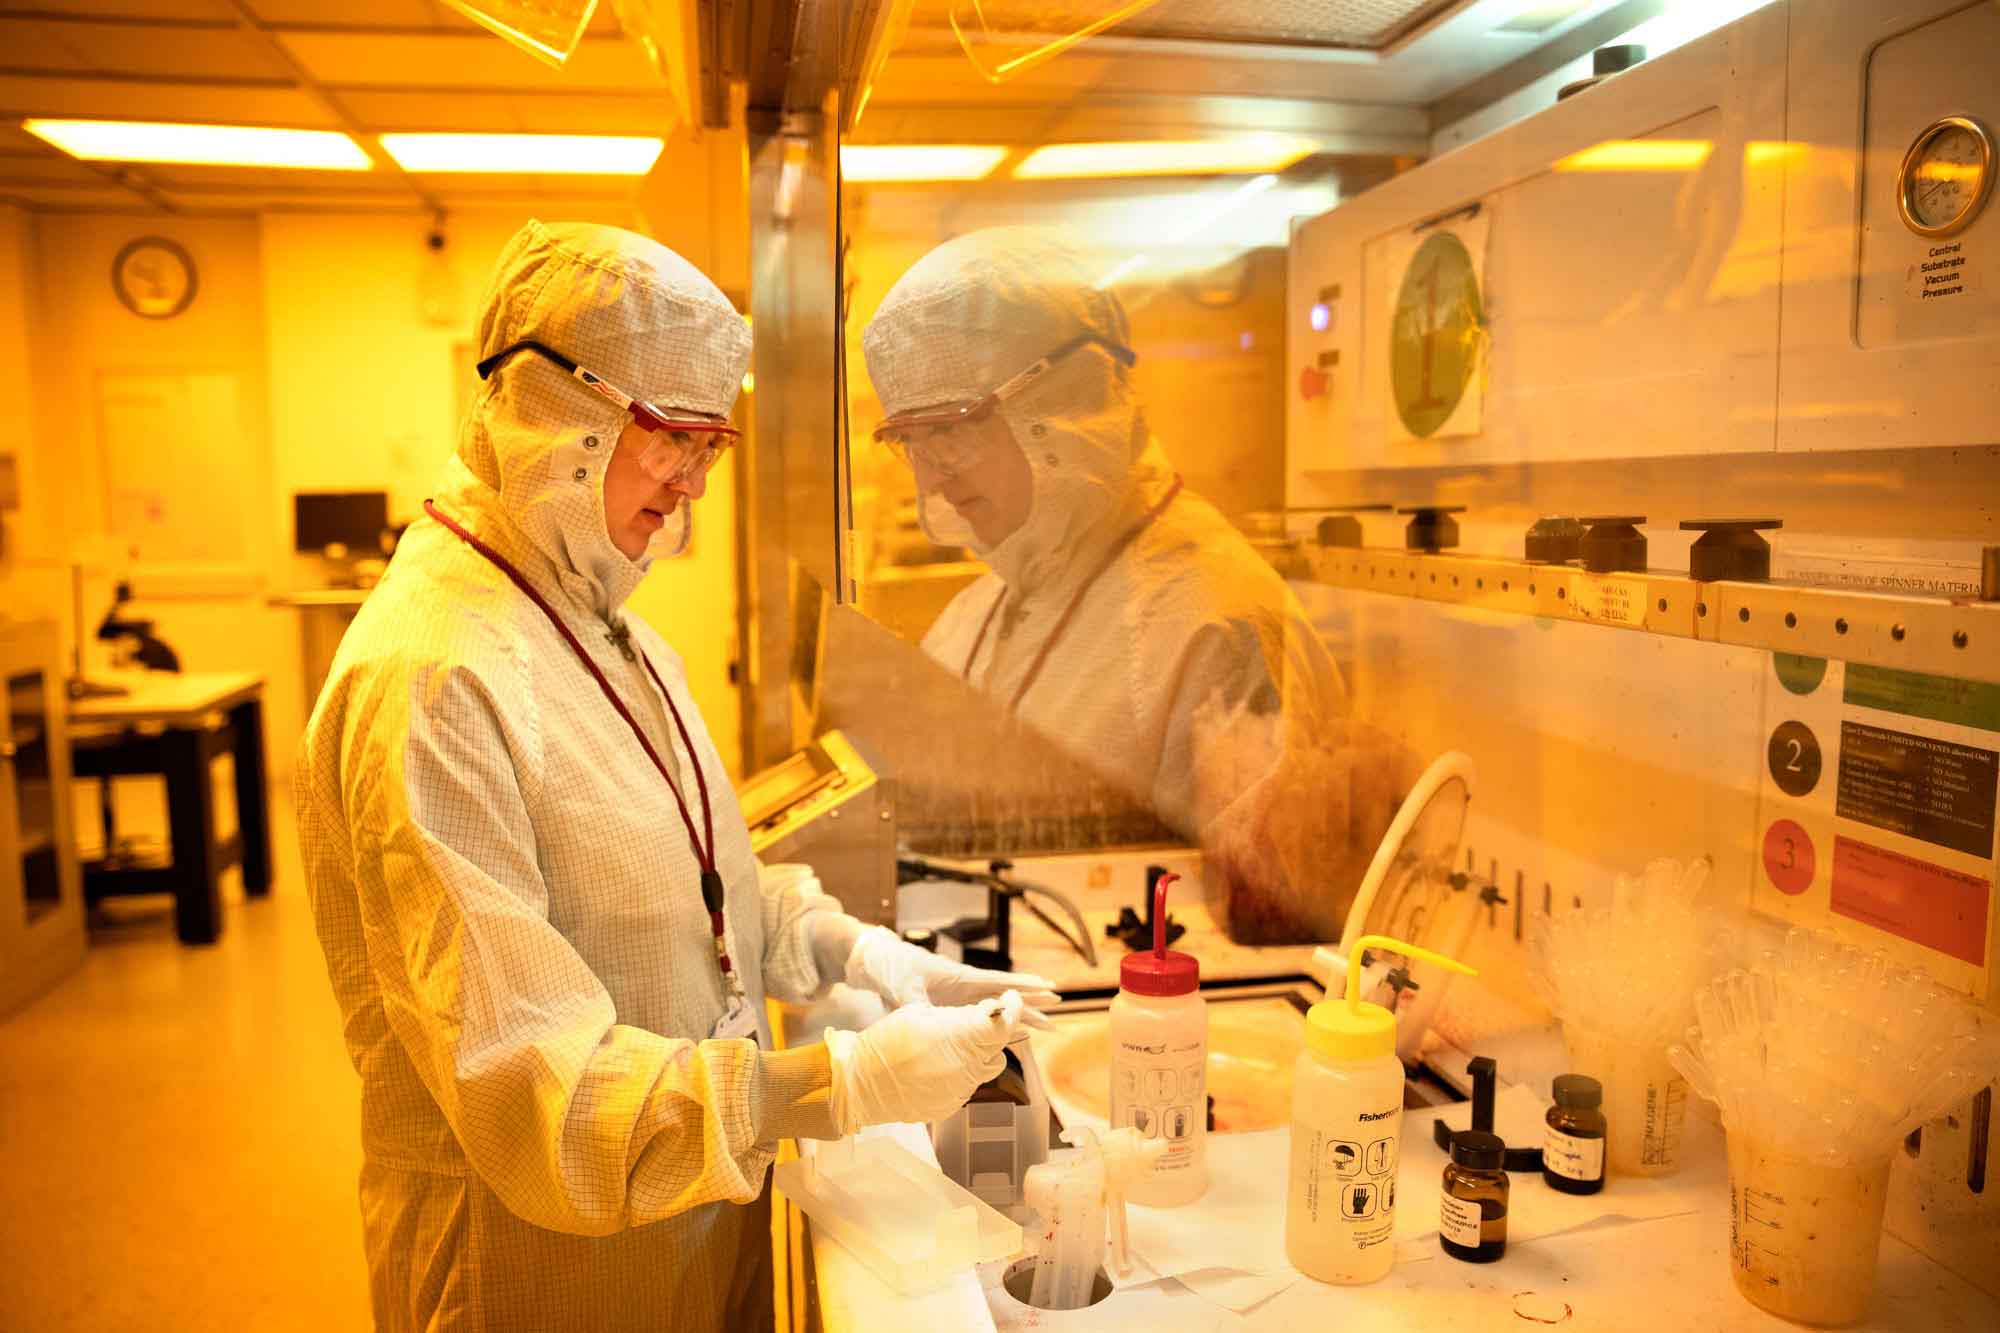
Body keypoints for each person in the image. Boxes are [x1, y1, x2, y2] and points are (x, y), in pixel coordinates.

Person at [297, 220, 1054, 1333]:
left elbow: (708, 885)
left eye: (715, 442)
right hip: (540, 1273)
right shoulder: (433, 678)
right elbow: (534, 1097)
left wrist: (862, 955)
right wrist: (834, 1084)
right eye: (675, 435)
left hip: (688, 1215)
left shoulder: (613, 632)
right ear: (558, 407)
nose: (696, 482)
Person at [861, 228, 1408, 940]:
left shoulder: (1217, 625)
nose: (929, 478)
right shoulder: (992, 598)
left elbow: (1272, 942)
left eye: (952, 431)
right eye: (910, 441)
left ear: (1067, 401)